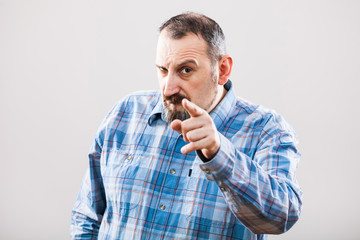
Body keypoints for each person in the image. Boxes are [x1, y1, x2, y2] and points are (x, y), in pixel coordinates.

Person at [70, 12, 303, 240]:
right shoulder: (126, 113)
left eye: (186, 70)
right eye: (163, 70)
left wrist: (220, 154)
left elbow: (281, 217)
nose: (168, 88)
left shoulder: (266, 129)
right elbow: (87, 217)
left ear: (222, 70)